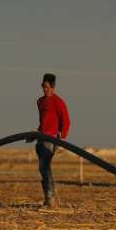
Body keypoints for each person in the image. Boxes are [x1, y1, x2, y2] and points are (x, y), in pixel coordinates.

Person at [33, 73, 71, 207]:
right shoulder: (40, 101)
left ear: (53, 87)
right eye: (43, 86)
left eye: (48, 87)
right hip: (41, 138)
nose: (45, 89)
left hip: (51, 139)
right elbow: (43, 122)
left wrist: (63, 139)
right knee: (44, 168)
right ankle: (51, 197)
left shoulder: (58, 102)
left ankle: (50, 199)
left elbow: (66, 121)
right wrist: (36, 132)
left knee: (44, 167)